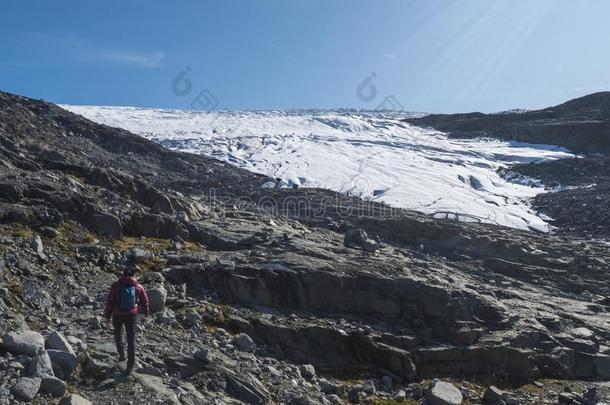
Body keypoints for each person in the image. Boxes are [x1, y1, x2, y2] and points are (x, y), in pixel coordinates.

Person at [103, 267, 150, 374]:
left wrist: (107, 317)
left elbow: (110, 301)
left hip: (117, 314)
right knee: (131, 340)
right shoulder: (138, 286)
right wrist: (145, 314)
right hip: (132, 315)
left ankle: (121, 354)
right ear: (134, 275)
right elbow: (145, 302)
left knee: (117, 334)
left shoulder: (115, 285)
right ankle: (129, 367)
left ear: (123, 274)